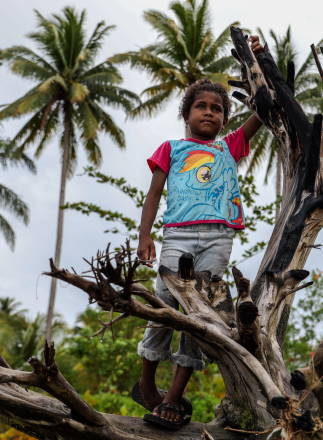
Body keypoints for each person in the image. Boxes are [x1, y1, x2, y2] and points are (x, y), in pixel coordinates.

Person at [132, 37, 265, 430]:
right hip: (177, 236)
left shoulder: (231, 147)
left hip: (218, 238)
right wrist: (145, 237)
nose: (210, 112)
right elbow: (154, 194)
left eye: (218, 109)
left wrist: (258, 60)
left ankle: (174, 397)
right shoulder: (170, 149)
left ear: (225, 118)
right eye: (201, 106)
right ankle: (145, 379)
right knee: (166, 309)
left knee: (201, 314)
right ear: (186, 113)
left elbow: (263, 107)